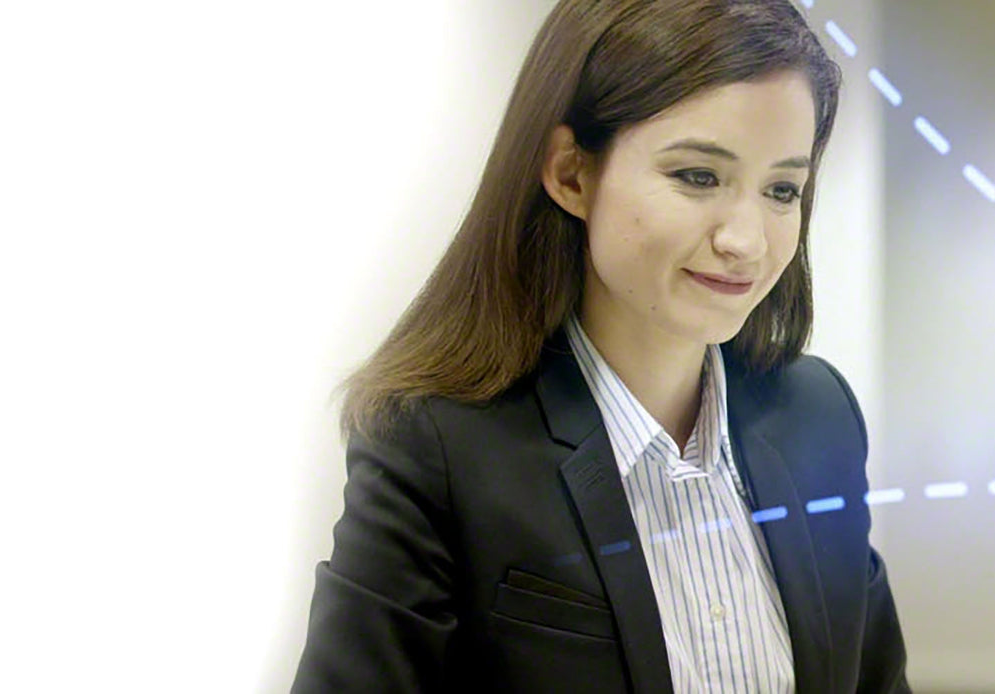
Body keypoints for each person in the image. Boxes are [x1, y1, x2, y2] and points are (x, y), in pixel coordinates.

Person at [293, 0, 910, 691]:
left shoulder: (816, 417)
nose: (747, 240)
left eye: (782, 189)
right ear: (570, 173)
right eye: (698, 177)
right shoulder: (437, 447)